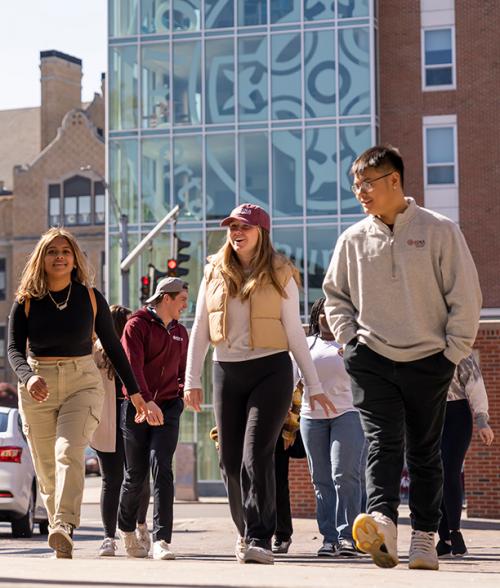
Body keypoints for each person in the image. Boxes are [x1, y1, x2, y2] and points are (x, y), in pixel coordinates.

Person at [323, 145, 482, 571]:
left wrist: (452, 353)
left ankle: (426, 539)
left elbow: (465, 297)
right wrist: (350, 343)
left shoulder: (440, 230)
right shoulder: (352, 239)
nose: (360, 191)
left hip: (430, 359)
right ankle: (384, 523)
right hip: (371, 357)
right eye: (355, 184)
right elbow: (335, 296)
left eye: (367, 183)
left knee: (425, 452)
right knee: (382, 442)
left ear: (395, 180)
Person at [184, 203, 335, 565]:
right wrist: (191, 379)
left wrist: (314, 385)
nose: (237, 232)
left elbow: (296, 333)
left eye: (245, 227)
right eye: (232, 226)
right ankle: (244, 530)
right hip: (227, 371)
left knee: (257, 454)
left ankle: (260, 537)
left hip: (271, 370)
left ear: (261, 232)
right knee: (230, 460)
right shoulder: (213, 272)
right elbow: (200, 327)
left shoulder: (281, 272)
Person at [7, 227, 147, 559]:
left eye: (65, 251)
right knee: (46, 467)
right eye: (53, 251)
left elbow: (114, 348)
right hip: (37, 384)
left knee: (68, 452)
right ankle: (59, 525)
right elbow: (13, 349)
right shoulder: (26, 302)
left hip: (82, 382)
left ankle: (64, 526)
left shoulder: (90, 297)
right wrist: (27, 378)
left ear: (74, 259)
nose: (59, 256)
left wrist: (137, 393)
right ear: (42, 259)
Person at [118, 277, 189, 560]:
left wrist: (179, 398)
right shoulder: (136, 326)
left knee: (162, 468)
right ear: (166, 298)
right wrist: (146, 401)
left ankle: (162, 540)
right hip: (136, 407)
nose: (185, 305)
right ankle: (125, 528)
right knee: (135, 476)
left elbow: (182, 372)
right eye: (182, 299)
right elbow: (131, 369)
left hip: (168, 408)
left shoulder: (181, 333)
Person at [300, 297, 366, 558]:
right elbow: (292, 382)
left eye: (333, 312)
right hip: (311, 418)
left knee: (345, 476)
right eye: (323, 312)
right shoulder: (306, 345)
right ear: (316, 316)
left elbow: (370, 378)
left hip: (347, 414)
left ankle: (348, 537)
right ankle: (329, 538)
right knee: (321, 480)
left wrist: (353, 358)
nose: (327, 316)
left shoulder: (353, 344)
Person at [91, 305, 151, 557]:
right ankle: (113, 535)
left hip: (130, 416)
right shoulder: (97, 350)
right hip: (108, 418)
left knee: (133, 477)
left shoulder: (136, 345)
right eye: (127, 322)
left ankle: (134, 527)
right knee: (115, 479)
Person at [437, 353, 494, 557]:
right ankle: (443, 538)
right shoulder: (417, 343)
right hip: (427, 415)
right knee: (434, 475)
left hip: (456, 415)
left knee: (450, 471)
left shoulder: (458, 346)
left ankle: (455, 531)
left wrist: (482, 420)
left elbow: (474, 382)